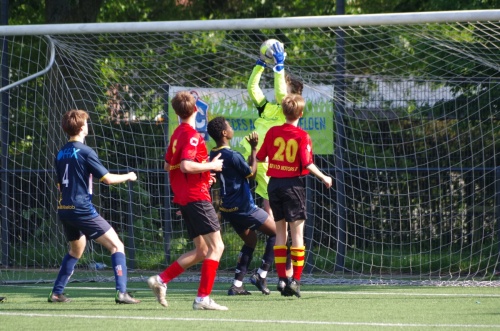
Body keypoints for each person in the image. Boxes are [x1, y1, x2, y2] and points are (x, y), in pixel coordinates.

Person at [147, 91, 228, 311]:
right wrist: (211, 166)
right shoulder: (192, 136)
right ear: (196, 110)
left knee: (202, 250)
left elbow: (168, 166)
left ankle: (161, 280)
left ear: (176, 112)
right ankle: (203, 298)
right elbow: (185, 166)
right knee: (217, 246)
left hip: (185, 196)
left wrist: (203, 175)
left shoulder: (176, 134)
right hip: (196, 197)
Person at [49, 109, 140, 304]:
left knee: (76, 251)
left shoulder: (61, 153)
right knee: (117, 245)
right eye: (87, 124)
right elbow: (107, 179)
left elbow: (59, 184)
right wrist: (129, 176)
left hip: (64, 209)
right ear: (82, 128)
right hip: (81, 208)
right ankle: (121, 292)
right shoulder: (85, 151)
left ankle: (56, 293)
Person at [256, 94, 333, 298]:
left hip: (274, 186)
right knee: (297, 235)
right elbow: (307, 163)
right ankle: (295, 281)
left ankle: (281, 280)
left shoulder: (273, 132)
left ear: (283, 112)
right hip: (293, 187)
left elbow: (260, 157)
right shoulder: (302, 136)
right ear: (301, 113)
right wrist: (324, 177)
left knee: (281, 234)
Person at [207, 116, 276, 296]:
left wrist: (249, 159)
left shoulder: (213, 155)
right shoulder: (232, 155)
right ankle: (261, 274)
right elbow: (251, 174)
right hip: (244, 207)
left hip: (227, 209)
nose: (231, 128)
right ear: (224, 133)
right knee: (277, 233)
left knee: (251, 241)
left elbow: (239, 172)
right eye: (229, 126)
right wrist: (254, 148)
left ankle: (237, 284)